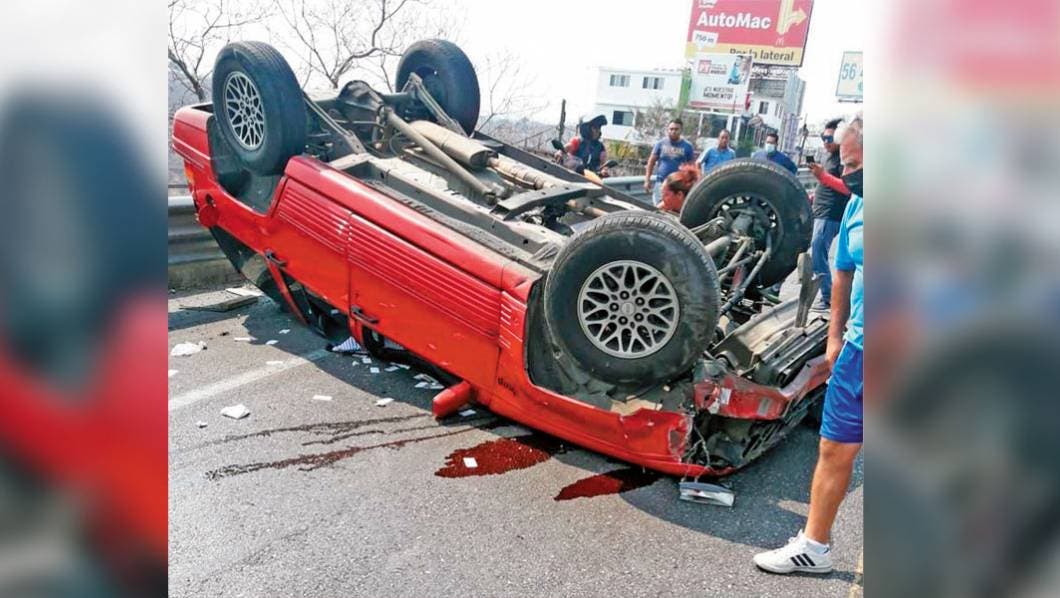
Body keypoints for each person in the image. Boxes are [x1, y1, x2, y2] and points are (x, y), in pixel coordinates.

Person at [753, 116, 863, 575]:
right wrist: (835, 335)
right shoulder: (857, 205)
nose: (847, 171)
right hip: (861, 349)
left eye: (855, 162)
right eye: (845, 162)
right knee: (834, 447)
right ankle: (814, 547)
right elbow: (842, 269)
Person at [807, 119, 851, 311]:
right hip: (818, 211)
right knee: (810, 250)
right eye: (823, 137)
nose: (825, 141)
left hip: (830, 214)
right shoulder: (827, 158)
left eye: (829, 138)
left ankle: (828, 297)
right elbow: (825, 185)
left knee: (818, 251)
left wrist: (823, 176)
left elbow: (849, 188)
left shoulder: (844, 160)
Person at [644, 119, 696, 207]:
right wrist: (647, 180)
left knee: (673, 209)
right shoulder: (660, 144)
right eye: (671, 129)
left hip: (678, 186)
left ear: (681, 130)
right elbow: (651, 162)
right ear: (667, 130)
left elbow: (692, 167)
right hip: (661, 182)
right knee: (658, 208)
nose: (673, 131)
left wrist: (690, 185)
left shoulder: (687, 146)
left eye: (676, 129)